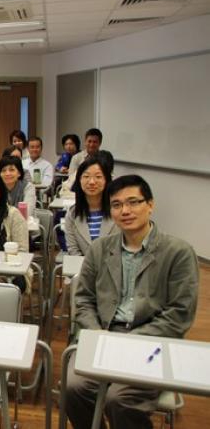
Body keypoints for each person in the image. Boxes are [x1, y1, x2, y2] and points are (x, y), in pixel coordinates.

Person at [66, 175, 199, 429]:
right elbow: (83, 298)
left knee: (119, 400)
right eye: (116, 205)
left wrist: (130, 341)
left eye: (133, 202)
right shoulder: (100, 249)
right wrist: (97, 334)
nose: (125, 211)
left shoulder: (178, 252)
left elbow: (180, 314)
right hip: (103, 335)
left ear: (150, 204)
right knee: (73, 388)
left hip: (150, 343)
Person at [63, 156, 117, 256]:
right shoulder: (72, 214)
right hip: (82, 269)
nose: (92, 182)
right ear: (79, 180)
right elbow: (73, 250)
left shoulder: (118, 211)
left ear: (106, 180)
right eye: (86, 176)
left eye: (98, 177)